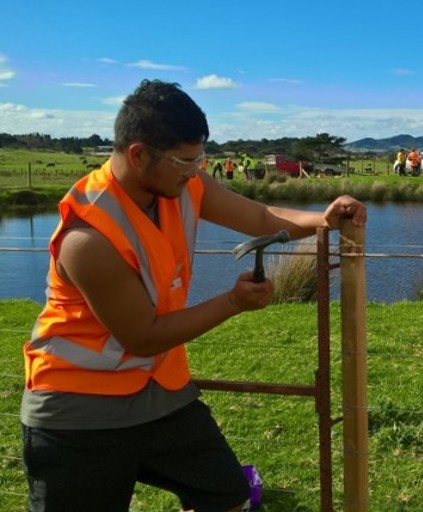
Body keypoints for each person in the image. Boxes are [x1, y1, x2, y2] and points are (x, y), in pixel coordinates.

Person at [20, 79, 367, 512]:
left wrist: (324, 220)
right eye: (185, 161)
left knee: (229, 498)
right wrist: (233, 302)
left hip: (159, 391)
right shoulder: (87, 239)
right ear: (138, 155)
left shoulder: (181, 185)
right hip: (79, 413)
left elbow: (259, 215)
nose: (194, 170)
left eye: (199, 158)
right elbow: (142, 336)